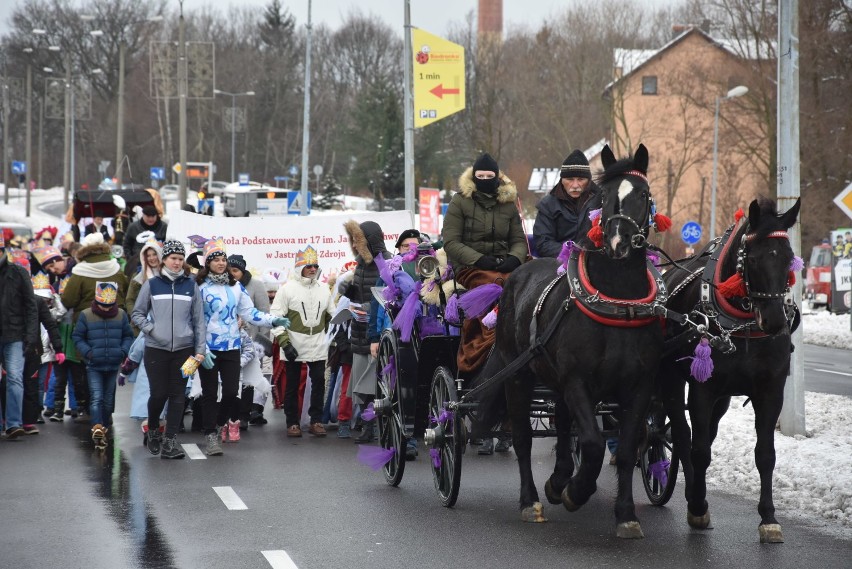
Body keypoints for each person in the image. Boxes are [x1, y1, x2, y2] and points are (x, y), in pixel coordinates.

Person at [196, 238, 289, 454]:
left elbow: (250, 313)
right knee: (209, 393)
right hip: (208, 348)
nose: (220, 263)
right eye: (216, 260)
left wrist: (272, 320)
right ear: (207, 263)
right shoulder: (199, 287)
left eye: (223, 259)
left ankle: (219, 425)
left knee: (230, 392)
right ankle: (210, 435)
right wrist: (200, 347)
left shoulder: (235, 286)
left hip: (231, 346)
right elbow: (194, 319)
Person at [442, 152, 528, 375]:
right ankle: (484, 344)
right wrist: (479, 259)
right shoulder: (459, 201)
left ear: (497, 177)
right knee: (495, 285)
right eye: (481, 175)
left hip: (504, 264)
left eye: (490, 176)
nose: (485, 180)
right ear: (473, 176)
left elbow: (519, 240)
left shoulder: (508, 205)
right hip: (470, 266)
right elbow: (451, 242)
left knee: (527, 283)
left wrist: (514, 258)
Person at [131, 240, 207, 459]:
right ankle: (154, 428)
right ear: (164, 259)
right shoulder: (152, 284)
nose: (177, 263)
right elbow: (137, 313)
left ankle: (170, 442)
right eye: (173, 258)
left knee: (178, 396)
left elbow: (198, 320)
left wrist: (199, 349)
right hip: (156, 349)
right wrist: (151, 329)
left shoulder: (190, 285)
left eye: (181, 259)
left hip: (184, 350)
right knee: (159, 394)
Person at [270, 245, 335, 438]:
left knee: (319, 383)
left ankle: (316, 420)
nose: (313, 269)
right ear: (299, 268)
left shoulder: (324, 289)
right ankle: (292, 422)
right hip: (293, 342)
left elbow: (331, 316)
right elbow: (275, 318)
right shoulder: (286, 290)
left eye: (315, 265)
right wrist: (285, 343)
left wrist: (333, 338)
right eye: (308, 266)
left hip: (318, 342)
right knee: (292, 384)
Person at [339, 221, 393, 444]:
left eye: (357, 239)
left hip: (377, 332)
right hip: (359, 330)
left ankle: (380, 426)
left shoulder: (387, 263)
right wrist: (350, 293)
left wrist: (369, 310)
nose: (353, 244)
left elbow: (387, 299)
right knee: (361, 385)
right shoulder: (361, 264)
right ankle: (368, 425)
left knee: (378, 383)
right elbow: (362, 293)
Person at [72, 282, 134, 448]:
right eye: (102, 305)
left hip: (113, 364)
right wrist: (88, 352)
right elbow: (77, 336)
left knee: (107, 400)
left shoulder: (121, 315)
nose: (106, 309)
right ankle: (97, 426)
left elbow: (128, 336)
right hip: (94, 364)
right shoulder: (86, 315)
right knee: (97, 396)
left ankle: (104, 426)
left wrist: (122, 352)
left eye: (108, 305)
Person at [0, 233, 39, 439]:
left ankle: (14, 424)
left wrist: (31, 335)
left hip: (15, 334)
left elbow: (31, 307)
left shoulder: (18, 273)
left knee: (15, 378)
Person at [533, 149, 602, 257]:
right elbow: (543, 243)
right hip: (558, 262)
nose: (575, 185)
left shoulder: (602, 202)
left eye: (581, 179)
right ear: (562, 180)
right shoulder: (548, 205)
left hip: (595, 262)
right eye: (569, 179)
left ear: (588, 180)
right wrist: (571, 252)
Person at [125, 240, 164, 334]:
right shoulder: (137, 277)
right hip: (139, 328)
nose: (152, 258)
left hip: (162, 326)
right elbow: (129, 300)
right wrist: (137, 317)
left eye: (154, 254)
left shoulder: (167, 276)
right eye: (148, 256)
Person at [122, 205, 168, 276]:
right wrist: (130, 258)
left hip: (159, 264)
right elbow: (126, 245)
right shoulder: (133, 227)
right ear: (143, 215)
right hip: (137, 263)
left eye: (153, 216)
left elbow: (168, 244)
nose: (150, 219)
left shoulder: (164, 227)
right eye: (148, 216)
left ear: (156, 216)